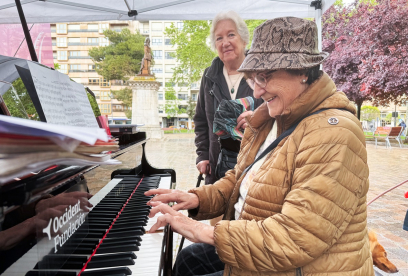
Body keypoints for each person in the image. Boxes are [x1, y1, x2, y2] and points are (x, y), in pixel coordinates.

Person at [145, 17, 374, 276]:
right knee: (188, 260)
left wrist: (202, 230)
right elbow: (241, 178)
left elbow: (294, 238)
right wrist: (198, 199)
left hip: (301, 265)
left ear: (302, 72)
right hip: (257, 243)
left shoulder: (335, 132)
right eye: (255, 79)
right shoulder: (269, 118)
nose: (256, 92)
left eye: (264, 77)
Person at [194, 11, 262, 185]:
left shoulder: (260, 73)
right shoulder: (209, 77)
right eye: (219, 38)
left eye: (231, 34)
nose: (225, 43)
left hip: (254, 169)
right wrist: (202, 156)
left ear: (244, 38)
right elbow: (201, 119)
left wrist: (258, 121)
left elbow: (278, 116)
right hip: (217, 169)